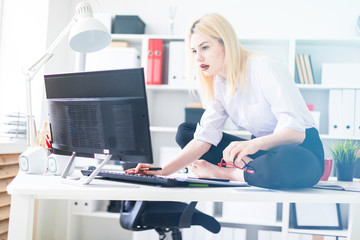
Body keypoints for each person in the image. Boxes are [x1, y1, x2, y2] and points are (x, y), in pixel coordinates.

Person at [128, 13, 324, 189]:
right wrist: (162, 170)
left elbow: (296, 133)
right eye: (194, 51)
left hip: (300, 152)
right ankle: (251, 170)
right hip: (257, 154)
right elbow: (204, 138)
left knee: (284, 162)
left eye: (205, 47)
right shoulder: (219, 83)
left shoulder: (265, 67)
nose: (198, 58)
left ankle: (226, 173)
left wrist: (253, 146)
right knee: (185, 132)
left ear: (225, 43)